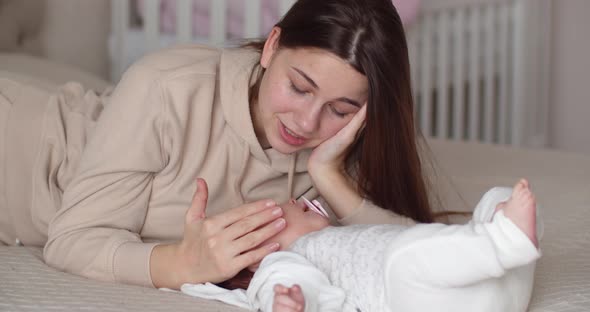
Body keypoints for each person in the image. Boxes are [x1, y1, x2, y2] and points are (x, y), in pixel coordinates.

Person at [0, 0, 432, 290]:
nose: (307, 122)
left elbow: (422, 260)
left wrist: (329, 177)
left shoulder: (342, 146)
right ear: (272, 47)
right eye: (299, 87)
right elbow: (72, 241)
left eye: (340, 108)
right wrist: (183, 264)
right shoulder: (169, 87)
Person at [181, 179, 542, 312]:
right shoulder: (285, 261)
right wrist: (290, 300)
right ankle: (504, 243)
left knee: (496, 195)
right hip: (419, 300)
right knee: (405, 257)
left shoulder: (335, 235)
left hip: (485, 292)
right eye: (277, 211)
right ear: (258, 254)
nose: (293, 200)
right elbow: (289, 282)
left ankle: (506, 248)